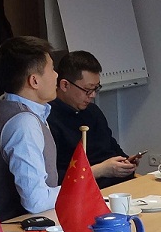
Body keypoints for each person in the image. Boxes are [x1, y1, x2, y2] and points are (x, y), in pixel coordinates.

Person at [0, 36, 126, 219]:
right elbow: (36, 201)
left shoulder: (5, 104)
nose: (57, 75)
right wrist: (83, 190)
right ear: (34, 81)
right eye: (51, 69)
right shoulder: (24, 124)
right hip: (19, 225)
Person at [47, 50, 136, 187]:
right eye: (88, 90)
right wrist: (101, 170)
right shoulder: (48, 119)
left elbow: (112, 147)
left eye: (96, 88)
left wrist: (127, 162)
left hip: (119, 184)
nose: (93, 95)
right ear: (65, 85)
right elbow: (53, 179)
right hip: (85, 189)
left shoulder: (93, 111)